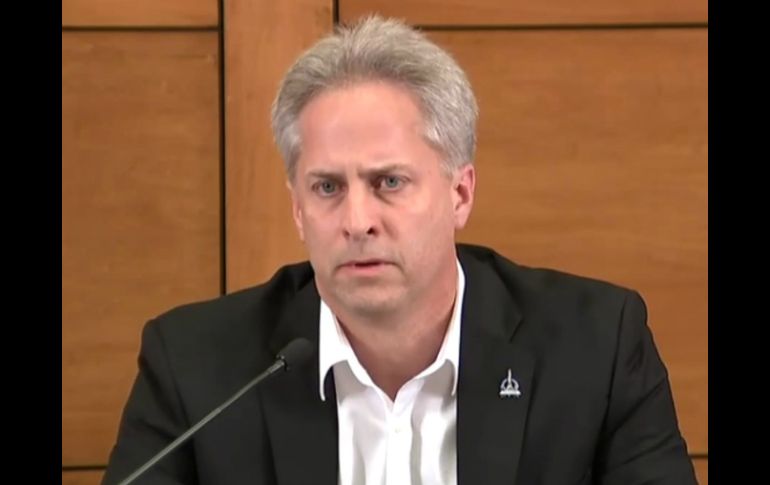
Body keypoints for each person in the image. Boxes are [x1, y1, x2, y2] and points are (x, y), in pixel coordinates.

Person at [102, 15, 698, 485]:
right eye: (327, 188)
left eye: (389, 182)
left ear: (460, 194)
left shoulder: (596, 348)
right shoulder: (197, 369)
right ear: (297, 209)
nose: (358, 221)